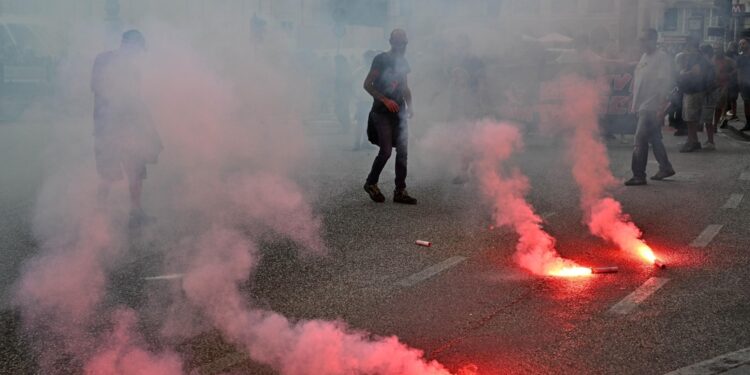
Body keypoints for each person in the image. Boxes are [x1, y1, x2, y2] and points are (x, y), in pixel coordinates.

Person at [92, 30, 162, 226]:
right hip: (110, 126)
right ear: (128, 45)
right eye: (137, 49)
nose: (138, 55)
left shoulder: (129, 68)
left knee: (135, 169)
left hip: (128, 127)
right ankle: (100, 214)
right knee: (108, 171)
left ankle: (135, 213)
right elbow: (100, 89)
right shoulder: (106, 61)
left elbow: (135, 98)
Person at [363, 29, 417, 204]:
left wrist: (410, 105)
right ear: (391, 42)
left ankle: (400, 191)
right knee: (386, 151)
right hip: (381, 112)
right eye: (399, 42)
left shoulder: (403, 61)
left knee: (402, 152)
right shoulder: (381, 59)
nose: (402, 46)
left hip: (399, 112)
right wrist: (385, 100)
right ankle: (371, 183)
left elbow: (405, 87)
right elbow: (367, 84)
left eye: (404, 43)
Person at [626, 29, 675, 186]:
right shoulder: (644, 57)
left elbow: (663, 83)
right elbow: (639, 82)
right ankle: (665, 167)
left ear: (654, 40)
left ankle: (639, 175)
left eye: (645, 40)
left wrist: (661, 108)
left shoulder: (661, 57)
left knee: (639, 139)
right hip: (642, 105)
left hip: (651, 105)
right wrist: (634, 104)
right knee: (654, 138)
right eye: (641, 40)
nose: (642, 43)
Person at [675, 38, 710, 152]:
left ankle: (693, 142)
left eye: (687, 46)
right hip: (690, 91)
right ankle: (692, 140)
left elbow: (696, 72)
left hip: (694, 91)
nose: (686, 49)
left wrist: (684, 73)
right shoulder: (693, 57)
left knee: (691, 118)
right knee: (688, 118)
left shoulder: (697, 58)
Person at [353, 50, 378, 150]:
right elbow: (351, 82)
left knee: (368, 122)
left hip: (371, 99)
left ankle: (365, 142)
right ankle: (357, 143)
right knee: (361, 121)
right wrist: (356, 95)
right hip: (363, 100)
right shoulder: (361, 70)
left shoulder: (375, 70)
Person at [735, 38, 750, 131]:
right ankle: (748, 123)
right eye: (740, 44)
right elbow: (739, 71)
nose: (741, 46)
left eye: (743, 43)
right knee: (747, 103)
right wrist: (739, 83)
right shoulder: (740, 57)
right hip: (745, 84)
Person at [725, 41, 740, 120]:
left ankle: (732, 114)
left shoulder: (736, 56)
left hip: (733, 80)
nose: (731, 48)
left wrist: (731, 74)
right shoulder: (727, 55)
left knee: (732, 98)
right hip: (727, 79)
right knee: (728, 98)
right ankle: (727, 114)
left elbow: (737, 68)